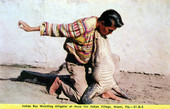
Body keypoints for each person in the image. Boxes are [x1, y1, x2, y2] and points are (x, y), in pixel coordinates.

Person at [18, 9, 124, 103]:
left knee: (114, 59)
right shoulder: (82, 27)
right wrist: (31, 28)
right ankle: (60, 83)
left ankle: (106, 91)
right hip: (77, 62)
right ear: (102, 23)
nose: (110, 33)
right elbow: (59, 29)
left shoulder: (100, 28)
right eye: (110, 30)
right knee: (82, 96)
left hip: (89, 61)